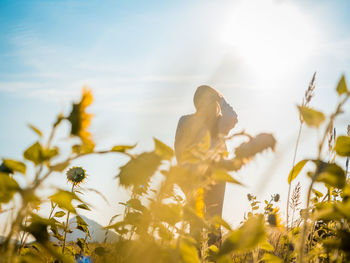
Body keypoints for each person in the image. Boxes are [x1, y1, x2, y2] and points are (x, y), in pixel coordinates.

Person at [174, 85, 238, 246]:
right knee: (195, 225)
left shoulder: (219, 123)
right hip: (193, 179)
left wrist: (220, 98)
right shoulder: (186, 121)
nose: (211, 104)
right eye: (207, 99)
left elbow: (232, 117)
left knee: (214, 226)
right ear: (198, 102)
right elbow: (179, 150)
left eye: (213, 100)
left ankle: (213, 257)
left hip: (216, 179)